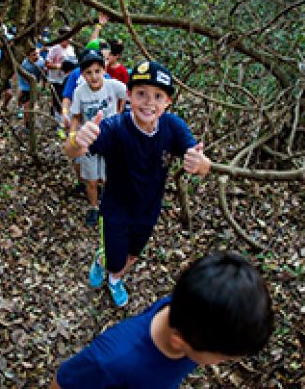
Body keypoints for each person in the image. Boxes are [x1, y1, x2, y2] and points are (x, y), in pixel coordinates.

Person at [63, 59, 211, 307]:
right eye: (141, 94)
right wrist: (78, 140)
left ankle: (114, 277)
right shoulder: (115, 127)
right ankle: (108, 268)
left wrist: (199, 164)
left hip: (148, 210)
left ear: (167, 102)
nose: (149, 102)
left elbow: (204, 164)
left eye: (157, 96)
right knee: (115, 258)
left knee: (133, 254)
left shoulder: (173, 127)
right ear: (129, 95)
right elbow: (70, 151)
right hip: (115, 210)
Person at [50, 251, 274, 389]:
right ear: (180, 340)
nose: (221, 363)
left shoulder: (189, 312)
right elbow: (62, 384)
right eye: (222, 358)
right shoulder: (111, 361)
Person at [70, 50, 127, 227]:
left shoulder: (113, 86)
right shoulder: (80, 92)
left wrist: (121, 114)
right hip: (90, 142)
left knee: (109, 178)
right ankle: (94, 208)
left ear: (104, 70)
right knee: (91, 180)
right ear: (83, 74)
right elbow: (76, 116)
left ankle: (111, 207)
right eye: (88, 72)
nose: (94, 77)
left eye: (97, 71)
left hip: (111, 141)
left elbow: (131, 95)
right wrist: (73, 138)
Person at [46, 26, 76, 137]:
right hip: (56, 79)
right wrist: (59, 66)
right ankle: (59, 126)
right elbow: (47, 64)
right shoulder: (54, 48)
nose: (68, 40)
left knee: (66, 100)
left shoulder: (71, 49)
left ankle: (64, 122)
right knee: (58, 101)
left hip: (67, 79)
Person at [17, 47, 46, 127]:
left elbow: (43, 74)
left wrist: (42, 85)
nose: (36, 56)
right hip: (25, 85)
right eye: (33, 55)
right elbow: (21, 76)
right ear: (28, 56)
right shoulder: (24, 64)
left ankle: (29, 122)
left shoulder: (41, 61)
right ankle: (26, 122)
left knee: (31, 105)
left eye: (37, 54)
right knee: (26, 105)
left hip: (35, 86)